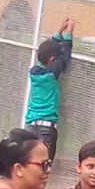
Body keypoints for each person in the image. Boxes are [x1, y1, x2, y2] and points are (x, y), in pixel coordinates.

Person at [24, 18, 75, 161]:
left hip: (31, 125)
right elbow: (65, 56)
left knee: (30, 163)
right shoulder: (52, 73)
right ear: (52, 60)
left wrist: (59, 31)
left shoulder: (34, 71)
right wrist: (69, 32)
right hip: (47, 128)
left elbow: (48, 51)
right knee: (44, 165)